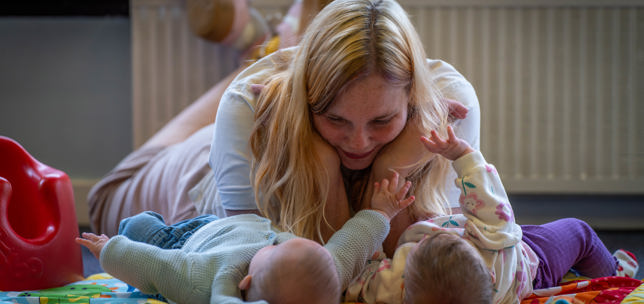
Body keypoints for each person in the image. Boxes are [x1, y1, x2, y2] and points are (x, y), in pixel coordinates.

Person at [88, 0, 480, 258]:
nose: (359, 142)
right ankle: (268, 52)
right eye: (335, 118)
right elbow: (316, 277)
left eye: (382, 121)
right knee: (103, 198)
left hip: (276, 121)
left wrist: (389, 170)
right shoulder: (246, 110)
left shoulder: (448, 109)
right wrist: (322, 165)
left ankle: (274, 46)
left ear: (411, 99)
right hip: (188, 179)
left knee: (257, 86)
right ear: (309, 105)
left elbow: (410, 263)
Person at [344, 126, 639, 304]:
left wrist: (380, 212)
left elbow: (363, 272)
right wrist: (463, 156)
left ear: (405, 287)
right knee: (580, 232)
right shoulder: (494, 248)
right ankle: (614, 273)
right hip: (530, 263)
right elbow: (490, 202)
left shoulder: (390, 288)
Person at [77, 173, 416, 304]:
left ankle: (136, 228)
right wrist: (381, 214)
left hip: (183, 244)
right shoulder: (325, 279)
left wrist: (111, 250)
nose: (274, 244)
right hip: (223, 224)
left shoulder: (207, 281)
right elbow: (350, 246)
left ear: (247, 280)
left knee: (138, 225)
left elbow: (158, 266)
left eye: (273, 251)